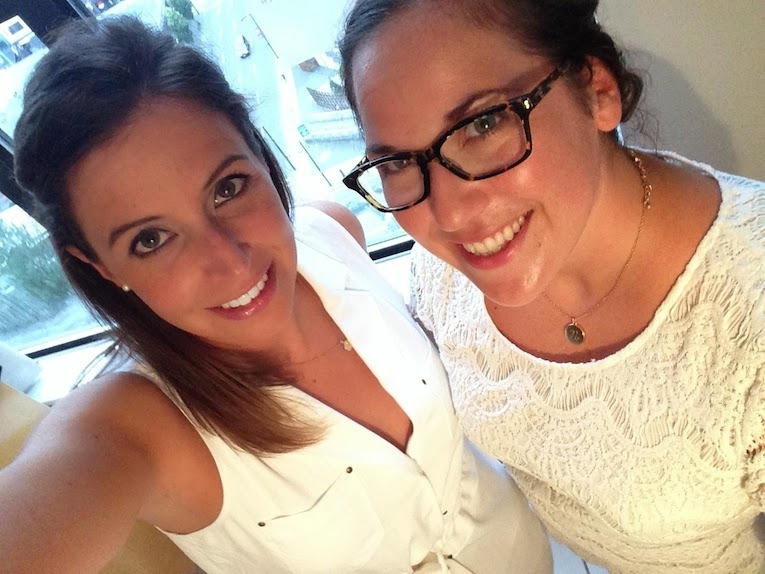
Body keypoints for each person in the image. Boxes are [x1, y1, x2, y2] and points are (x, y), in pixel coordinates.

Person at [0, 16, 553, 574]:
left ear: (262, 160)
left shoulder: (334, 234)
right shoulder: (133, 424)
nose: (229, 259)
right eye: (151, 239)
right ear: (99, 267)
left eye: (228, 188)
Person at [338, 1, 765, 573]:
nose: (450, 214)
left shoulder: (749, 319)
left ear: (597, 90)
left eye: (483, 124)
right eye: (394, 162)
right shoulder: (440, 272)